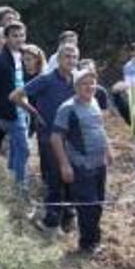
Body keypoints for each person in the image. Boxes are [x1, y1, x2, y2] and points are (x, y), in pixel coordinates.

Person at [13, 43, 80, 235]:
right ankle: (51, 222)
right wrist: (35, 113)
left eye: (75, 57)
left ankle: (69, 215)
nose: (71, 61)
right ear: (58, 59)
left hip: (72, 138)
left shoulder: (77, 80)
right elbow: (16, 96)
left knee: (71, 178)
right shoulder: (46, 79)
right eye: (67, 57)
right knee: (54, 180)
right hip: (49, 137)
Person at [51, 67, 112, 254]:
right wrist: (64, 164)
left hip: (99, 163)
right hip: (81, 166)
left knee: (98, 203)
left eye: (92, 83)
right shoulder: (67, 108)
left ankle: (94, 240)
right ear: (76, 87)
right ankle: (87, 245)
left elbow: (100, 128)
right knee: (88, 206)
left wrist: (108, 149)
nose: (89, 87)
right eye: (84, 83)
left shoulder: (94, 101)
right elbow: (55, 138)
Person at [0, 21, 32, 190]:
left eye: (21, 35)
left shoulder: (24, 55)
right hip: (9, 111)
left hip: (23, 108)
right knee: (24, 149)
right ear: (6, 38)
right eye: (15, 36)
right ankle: (20, 190)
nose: (19, 39)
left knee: (17, 147)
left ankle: (12, 179)